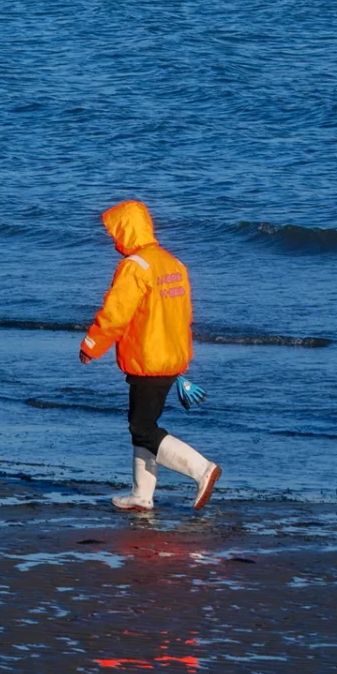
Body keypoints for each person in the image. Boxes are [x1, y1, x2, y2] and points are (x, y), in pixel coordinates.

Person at [79, 200, 221, 513]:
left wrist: (91, 344)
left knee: (142, 427)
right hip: (171, 356)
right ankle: (141, 495)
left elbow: (115, 315)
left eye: (115, 232)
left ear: (127, 231)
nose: (113, 239)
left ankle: (202, 469)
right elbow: (185, 315)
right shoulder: (171, 263)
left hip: (148, 358)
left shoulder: (136, 266)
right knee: (142, 423)